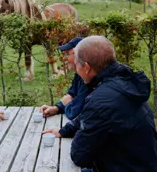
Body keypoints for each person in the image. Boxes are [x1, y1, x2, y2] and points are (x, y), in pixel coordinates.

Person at [44, 36, 157, 172]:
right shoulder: (124, 81)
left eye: (77, 64)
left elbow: (79, 155)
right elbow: (89, 116)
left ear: (86, 67)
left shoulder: (101, 99)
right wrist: (64, 130)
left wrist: (80, 134)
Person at [40, 37, 89, 120]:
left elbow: (74, 112)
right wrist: (56, 108)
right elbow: (71, 95)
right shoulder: (79, 75)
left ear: (79, 55)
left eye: (67, 54)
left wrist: (70, 104)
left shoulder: (88, 78)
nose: (64, 58)